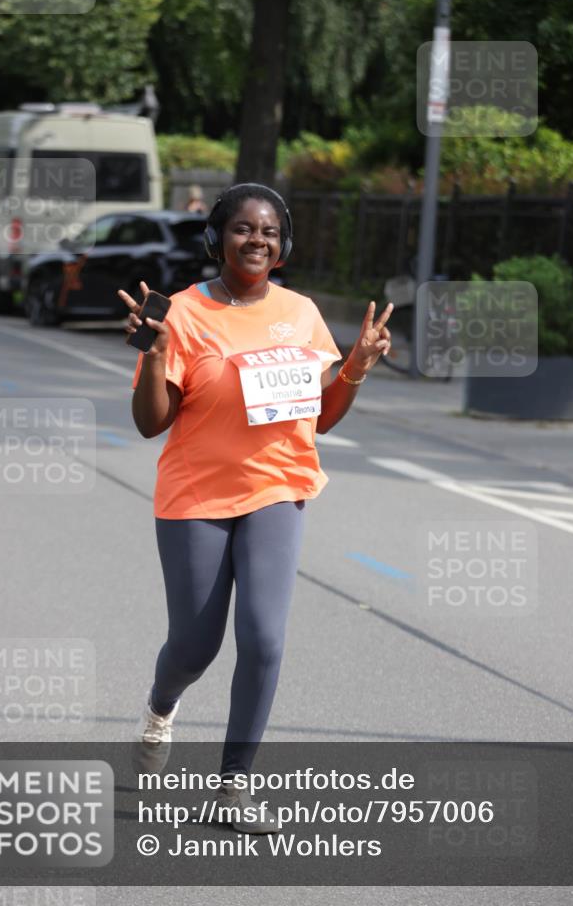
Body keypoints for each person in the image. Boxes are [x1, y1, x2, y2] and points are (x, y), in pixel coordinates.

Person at [117, 183, 392, 832]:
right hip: (196, 496)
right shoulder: (182, 313)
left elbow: (319, 419)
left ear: (283, 245)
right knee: (195, 646)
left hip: (277, 488)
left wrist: (356, 364)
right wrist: (156, 357)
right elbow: (150, 423)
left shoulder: (301, 314)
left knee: (264, 639)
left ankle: (233, 787)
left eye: (269, 232)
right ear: (216, 239)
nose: (256, 241)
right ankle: (161, 706)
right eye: (242, 229)